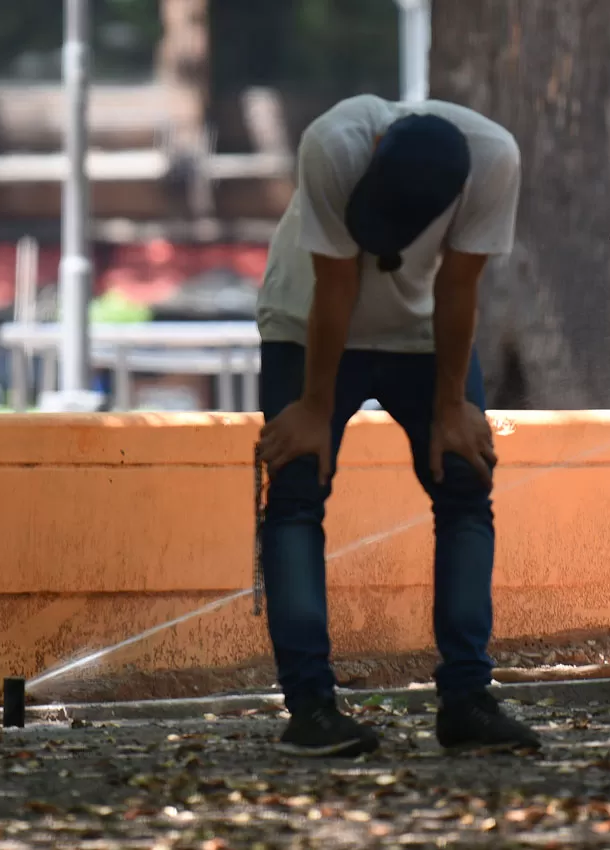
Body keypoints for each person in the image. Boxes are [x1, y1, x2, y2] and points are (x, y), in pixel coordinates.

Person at [255, 94, 541, 757]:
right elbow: (335, 285)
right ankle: (310, 710)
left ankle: (467, 701)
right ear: (377, 151)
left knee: (465, 480)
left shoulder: (493, 159)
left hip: (423, 331)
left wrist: (451, 408)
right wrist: (314, 411)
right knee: (296, 492)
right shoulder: (332, 144)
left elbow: (458, 286)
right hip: (308, 320)